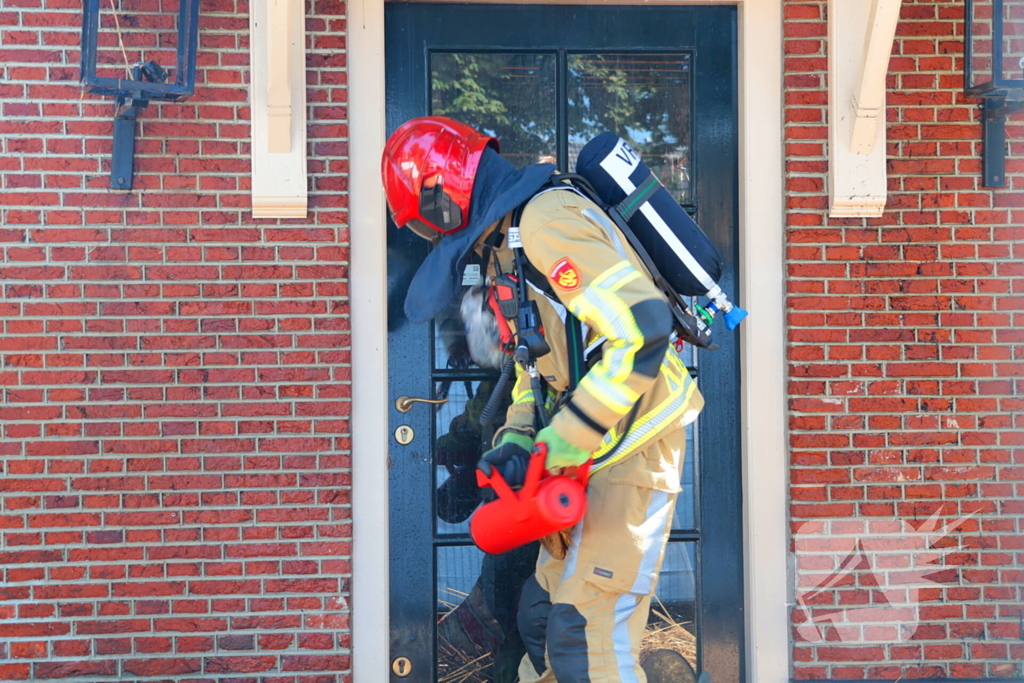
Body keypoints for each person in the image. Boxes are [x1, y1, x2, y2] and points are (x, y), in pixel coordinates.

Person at [382, 116, 704, 683]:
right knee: (539, 616)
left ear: (441, 198)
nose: (433, 239)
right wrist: (514, 441)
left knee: (586, 636)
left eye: (427, 225)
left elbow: (645, 329)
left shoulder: (546, 221)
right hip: (586, 456)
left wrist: (566, 435)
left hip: (633, 444)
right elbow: (535, 368)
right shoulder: (506, 245)